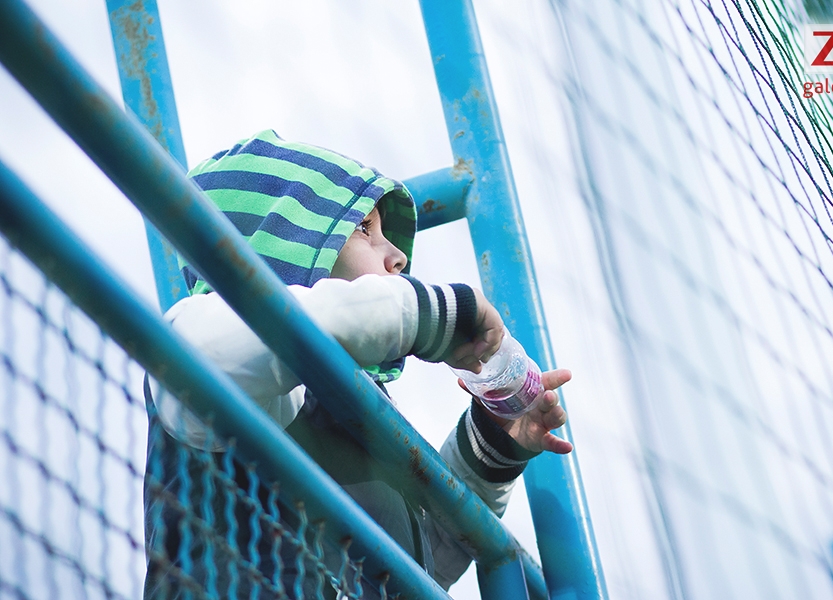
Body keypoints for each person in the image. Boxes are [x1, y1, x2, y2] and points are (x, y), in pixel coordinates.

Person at [143, 129, 572, 598]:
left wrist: (490, 446)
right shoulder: (198, 338)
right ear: (289, 248)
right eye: (365, 229)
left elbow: (414, 565)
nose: (399, 256)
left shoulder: (357, 412)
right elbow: (225, 350)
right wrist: (427, 314)